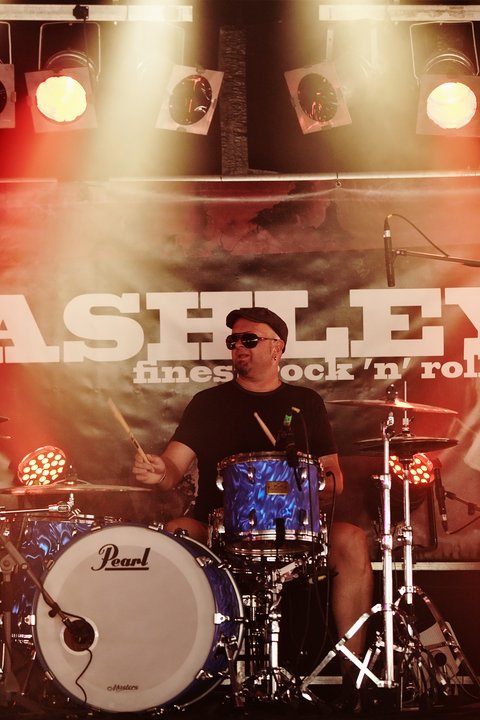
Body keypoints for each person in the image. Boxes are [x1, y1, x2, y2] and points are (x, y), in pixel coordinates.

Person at [133, 306, 373, 709]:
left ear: (277, 348)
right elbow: (172, 469)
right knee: (176, 533)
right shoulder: (208, 403)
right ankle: (176, 675)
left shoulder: (304, 403)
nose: (238, 347)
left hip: (295, 528)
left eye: (249, 339)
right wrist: (157, 471)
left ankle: (354, 678)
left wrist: (313, 484)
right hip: (219, 529)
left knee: (351, 540)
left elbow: (333, 476)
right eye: (233, 341)